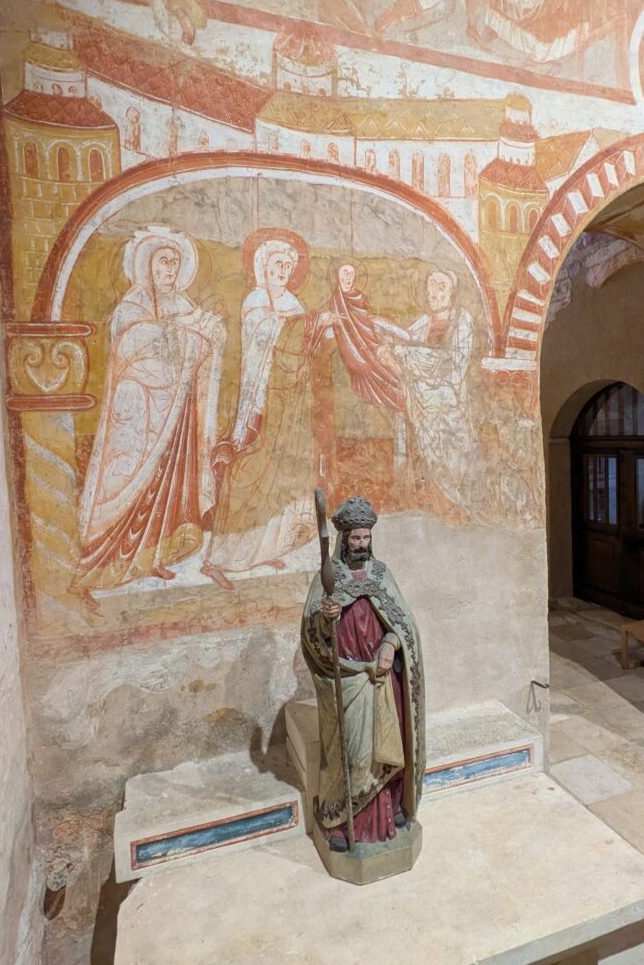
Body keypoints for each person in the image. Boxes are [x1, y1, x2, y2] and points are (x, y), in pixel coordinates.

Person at [70, 226, 225, 611]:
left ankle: (151, 556)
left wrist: (207, 332)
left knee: (166, 487)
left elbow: (206, 341)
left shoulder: (183, 305)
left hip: (174, 420)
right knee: (124, 487)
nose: (170, 269)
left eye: (174, 263)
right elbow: (130, 348)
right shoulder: (131, 307)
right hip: (137, 417)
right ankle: (96, 565)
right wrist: (180, 332)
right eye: (163, 262)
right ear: (146, 266)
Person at [202, 233, 330, 589]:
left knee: (281, 470)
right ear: (263, 267)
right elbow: (262, 337)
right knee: (246, 468)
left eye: (289, 267)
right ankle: (218, 557)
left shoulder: (295, 304)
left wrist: (313, 330)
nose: (284, 272)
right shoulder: (256, 301)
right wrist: (304, 326)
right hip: (260, 397)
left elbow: (304, 348)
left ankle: (264, 546)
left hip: (290, 402)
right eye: (278, 265)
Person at [301, 495, 425, 850]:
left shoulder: (381, 574)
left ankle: (389, 811)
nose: (361, 544)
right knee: (353, 754)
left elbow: (405, 626)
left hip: (383, 681)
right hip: (350, 679)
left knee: (387, 747)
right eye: (355, 538)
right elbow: (312, 637)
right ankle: (341, 823)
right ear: (343, 539)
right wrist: (326, 619)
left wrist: (390, 644)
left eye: (366, 538)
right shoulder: (328, 580)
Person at [379, 267, 475, 505]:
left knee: (449, 459)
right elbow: (403, 342)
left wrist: (406, 355)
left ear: (452, 292)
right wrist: (389, 347)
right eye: (431, 286)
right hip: (418, 402)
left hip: (446, 403)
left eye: (441, 287)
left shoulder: (461, 321)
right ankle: (423, 498)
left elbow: (451, 363)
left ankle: (452, 502)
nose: (434, 293)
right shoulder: (423, 321)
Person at [310, 261, 404, 413]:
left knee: (386, 365)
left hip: (370, 342)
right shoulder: (334, 300)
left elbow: (367, 319)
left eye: (351, 274)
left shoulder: (360, 297)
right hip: (350, 347)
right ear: (337, 276)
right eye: (345, 273)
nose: (348, 277)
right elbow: (329, 322)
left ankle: (399, 391)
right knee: (366, 367)